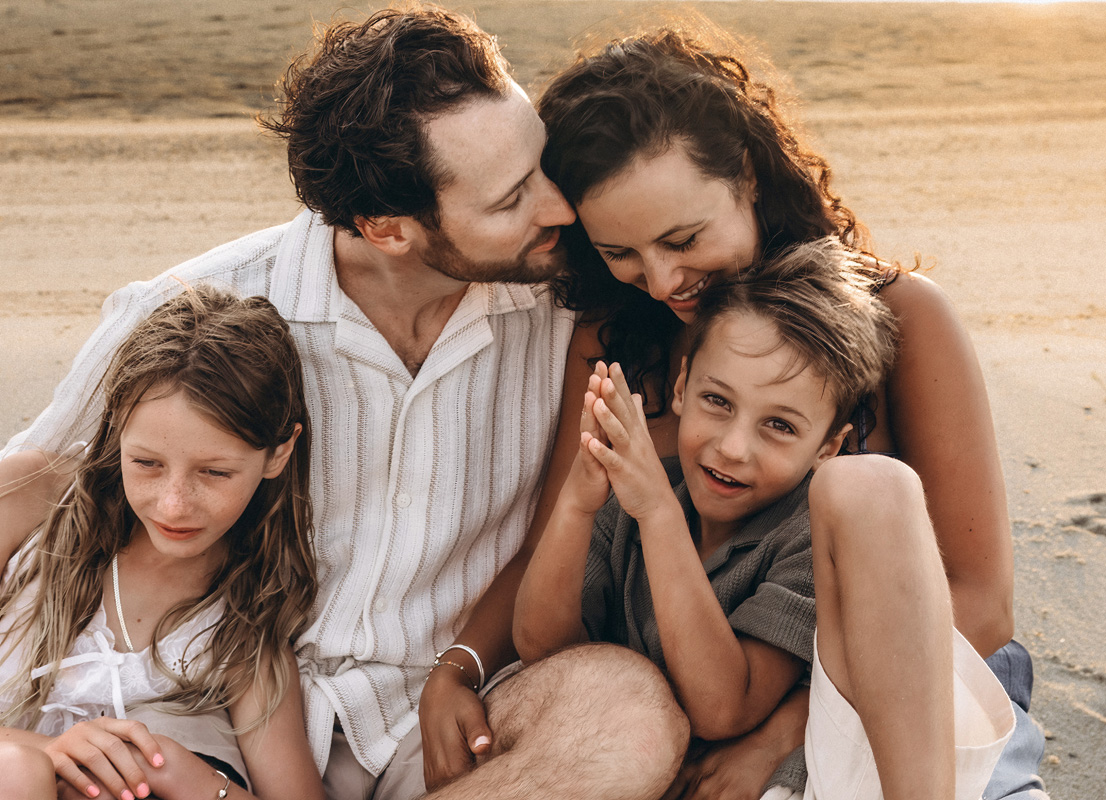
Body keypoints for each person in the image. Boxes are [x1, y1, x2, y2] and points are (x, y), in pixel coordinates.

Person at [1, 7, 681, 799]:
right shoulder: (187, 315)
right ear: (386, 227)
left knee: (627, 713)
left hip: (450, 719)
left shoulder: (568, 311)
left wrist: (462, 666)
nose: (559, 211)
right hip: (208, 715)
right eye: (509, 201)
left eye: (541, 169)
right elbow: (42, 484)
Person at [533, 25, 1045, 799]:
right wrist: (459, 666)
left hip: (893, 691)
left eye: (684, 237)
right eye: (622, 254)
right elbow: (558, 540)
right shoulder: (613, 343)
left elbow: (980, 601)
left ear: (746, 175)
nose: (663, 279)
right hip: (697, 701)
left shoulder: (902, 316)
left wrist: (784, 729)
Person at [514, 238, 1015, 800]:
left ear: (829, 446)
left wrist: (658, 517)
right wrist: (578, 502)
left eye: (779, 426)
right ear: (682, 387)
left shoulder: (800, 534)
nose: (732, 447)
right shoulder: (638, 499)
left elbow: (723, 708)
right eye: (718, 402)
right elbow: (543, 646)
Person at [0, 286, 322, 800]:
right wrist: (45, 750)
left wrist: (194, 779)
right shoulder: (27, 501)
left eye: (215, 472)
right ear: (116, 429)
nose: (174, 505)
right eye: (146, 463)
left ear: (277, 455)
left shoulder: (241, 634)